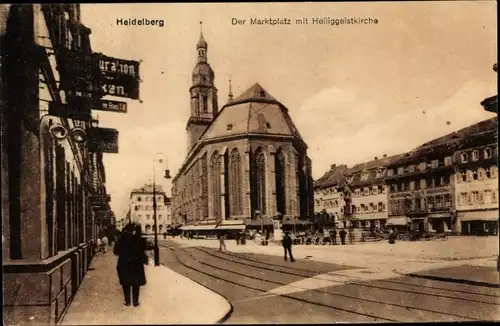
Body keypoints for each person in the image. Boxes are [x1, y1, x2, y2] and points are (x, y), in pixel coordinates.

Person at [114, 223, 148, 307]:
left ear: (126, 230)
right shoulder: (138, 239)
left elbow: (115, 252)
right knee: (136, 284)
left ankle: (127, 301)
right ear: (133, 230)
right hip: (136, 265)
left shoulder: (121, 239)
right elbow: (143, 250)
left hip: (124, 265)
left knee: (126, 284)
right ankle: (135, 302)